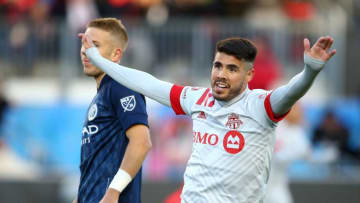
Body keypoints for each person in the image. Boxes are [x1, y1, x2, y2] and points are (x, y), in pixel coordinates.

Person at [79, 31, 336, 202]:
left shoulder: (262, 106)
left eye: (232, 69)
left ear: (249, 75)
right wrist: (99, 60)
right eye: (218, 65)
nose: (221, 74)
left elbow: (291, 92)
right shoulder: (197, 98)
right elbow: (147, 83)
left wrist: (310, 71)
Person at [75, 18, 152, 203]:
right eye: (84, 44)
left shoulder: (122, 86)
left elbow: (141, 142)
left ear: (115, 55)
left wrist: (113, 192)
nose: (86, 50)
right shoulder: (103, 94)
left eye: (95, 45)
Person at [265, 103, 310, 203]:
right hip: (262, 182)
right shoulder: (275, 125)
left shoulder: (295, 131)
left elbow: (304, 150)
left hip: (277, 182)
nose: (296, 112)